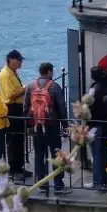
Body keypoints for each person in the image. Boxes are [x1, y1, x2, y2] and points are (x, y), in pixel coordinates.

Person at [24, 61, 71, 196]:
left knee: (39, 155)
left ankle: (42, 184)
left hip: (37, 126)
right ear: (50, 72)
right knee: (56, 154)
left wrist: (29, 125)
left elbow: (26, 107)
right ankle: (58, 185)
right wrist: (65, 125)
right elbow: (61, 107)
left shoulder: (30, 86)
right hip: (52, 126)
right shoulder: (54, 87)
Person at [0, 49, 30, 182]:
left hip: (17, 107)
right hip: (11, 108)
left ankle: (19, 167)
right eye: (19, 60)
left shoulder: (12, 73)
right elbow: (11, 94)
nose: (21, 63)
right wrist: (25, 88)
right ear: (11, 60)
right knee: (13, 139)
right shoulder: (6, 74)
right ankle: (13, 169)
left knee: (19, 139)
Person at [87, 65, 107, 190]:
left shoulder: (94, 90)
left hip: (95, 124)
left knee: (97, 154)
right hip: (106, 123)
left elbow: (88, 107)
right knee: (104, 152)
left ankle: (98, 182)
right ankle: (106, 179)